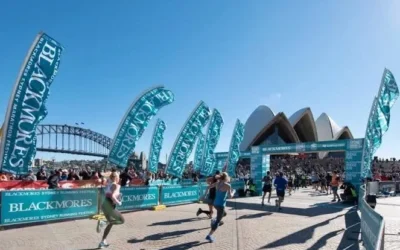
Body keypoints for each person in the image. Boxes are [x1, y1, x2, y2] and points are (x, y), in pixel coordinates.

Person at [96, 171, 125, 249]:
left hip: (105, 206)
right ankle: (104, 222)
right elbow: (112, 196)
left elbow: (106, 177)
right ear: (116, 178)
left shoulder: (109, 183)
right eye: (118, 176)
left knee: (111, 223)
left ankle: (102, 241)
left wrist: (102, 177)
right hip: (110, 207)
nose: (120, 178)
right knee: (121, 220)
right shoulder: (116, 185)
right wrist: (119, 202)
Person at [205, 172, 235, 243]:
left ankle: (215, 220)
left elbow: (208, 187)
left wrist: (205, 194)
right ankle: (209, 235)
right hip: (221, 205)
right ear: (226, 178)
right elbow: (230, 196)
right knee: (218, 221)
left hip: (215, 204)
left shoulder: (217, 183)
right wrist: (233, 192)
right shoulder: (228, 185)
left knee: (224, 214)